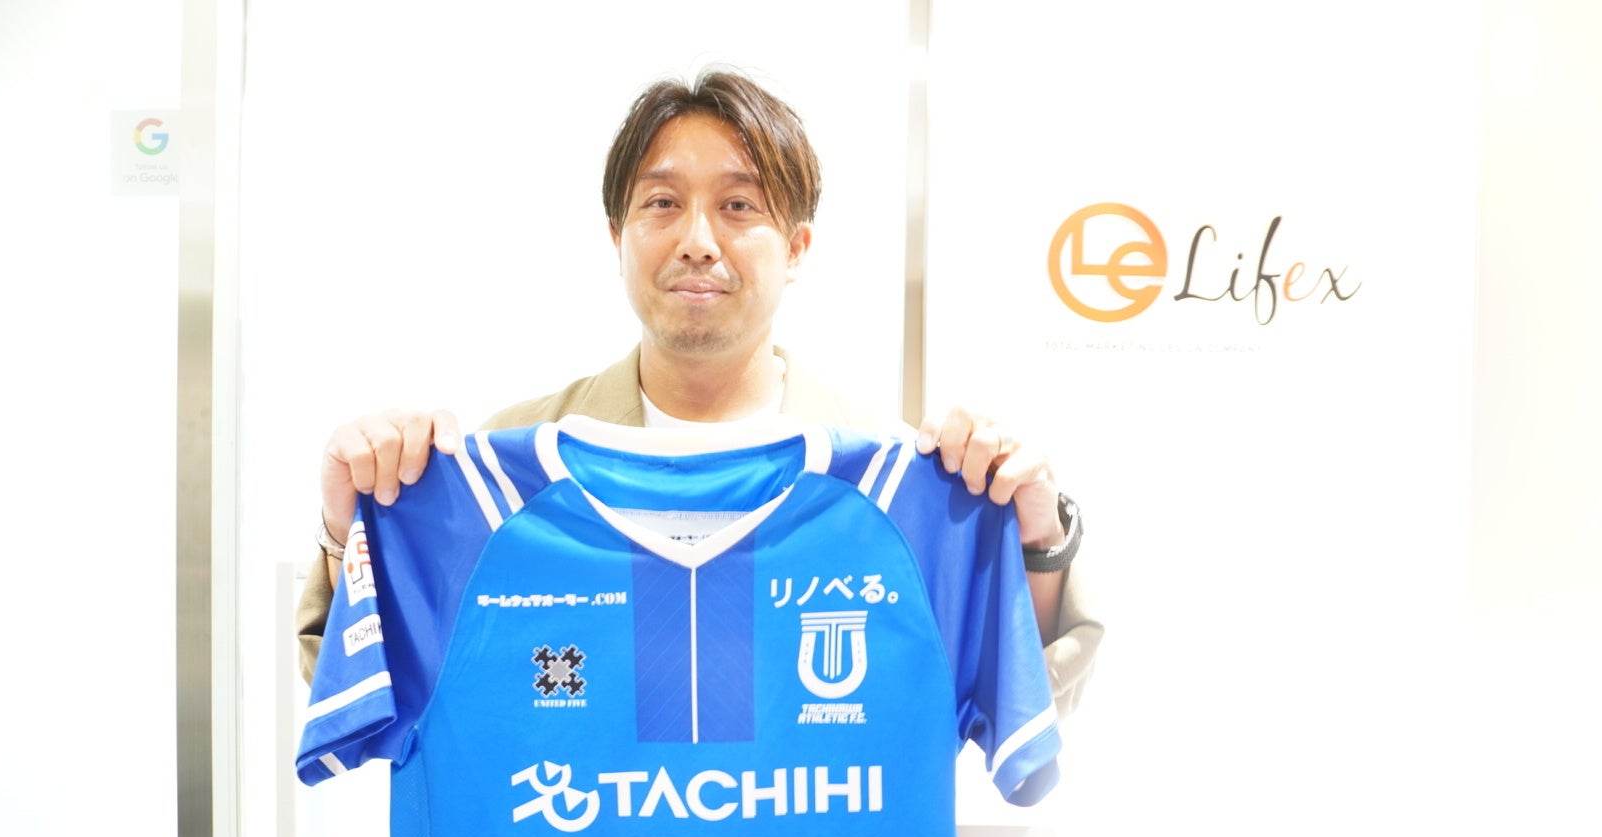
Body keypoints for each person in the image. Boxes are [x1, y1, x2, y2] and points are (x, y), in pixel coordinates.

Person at [296, 66, 1101, 729]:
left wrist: (1038, 541)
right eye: (662, 203)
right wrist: (350, 528)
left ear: (797, 248)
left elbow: (1020, 706)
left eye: (739, 206)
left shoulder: (895, 485)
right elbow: (363, 689)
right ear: (618, 238)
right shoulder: (501, 476)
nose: (698, 240)